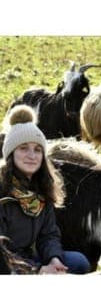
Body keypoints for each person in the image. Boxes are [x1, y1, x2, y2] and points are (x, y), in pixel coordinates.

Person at [0, 105, 90, 274]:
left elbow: (48, 235)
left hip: (27, 257)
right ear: (11, 154)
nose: (32, 156)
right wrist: (38, 270)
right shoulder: (2, 191)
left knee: (79, 262)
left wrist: (53, 259)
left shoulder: (41, 190)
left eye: (37, 149)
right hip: (6, 262)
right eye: (23, 148)